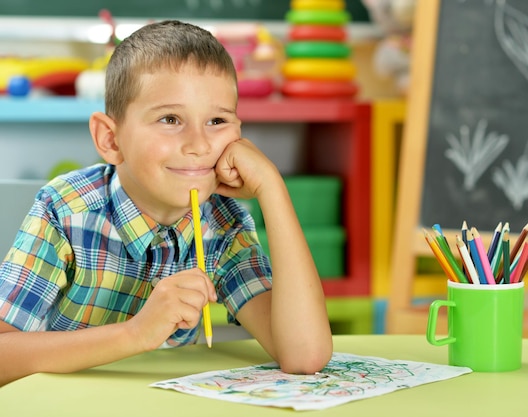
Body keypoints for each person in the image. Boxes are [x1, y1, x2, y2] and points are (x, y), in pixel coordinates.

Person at [0, 20, 333, 386]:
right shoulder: (65, 211)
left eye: (217, 120)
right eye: (170, 119)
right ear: (110, 139)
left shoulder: (224, 224)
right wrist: (135, 334)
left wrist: (273, 188)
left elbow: (305, 355)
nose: (199, 145)